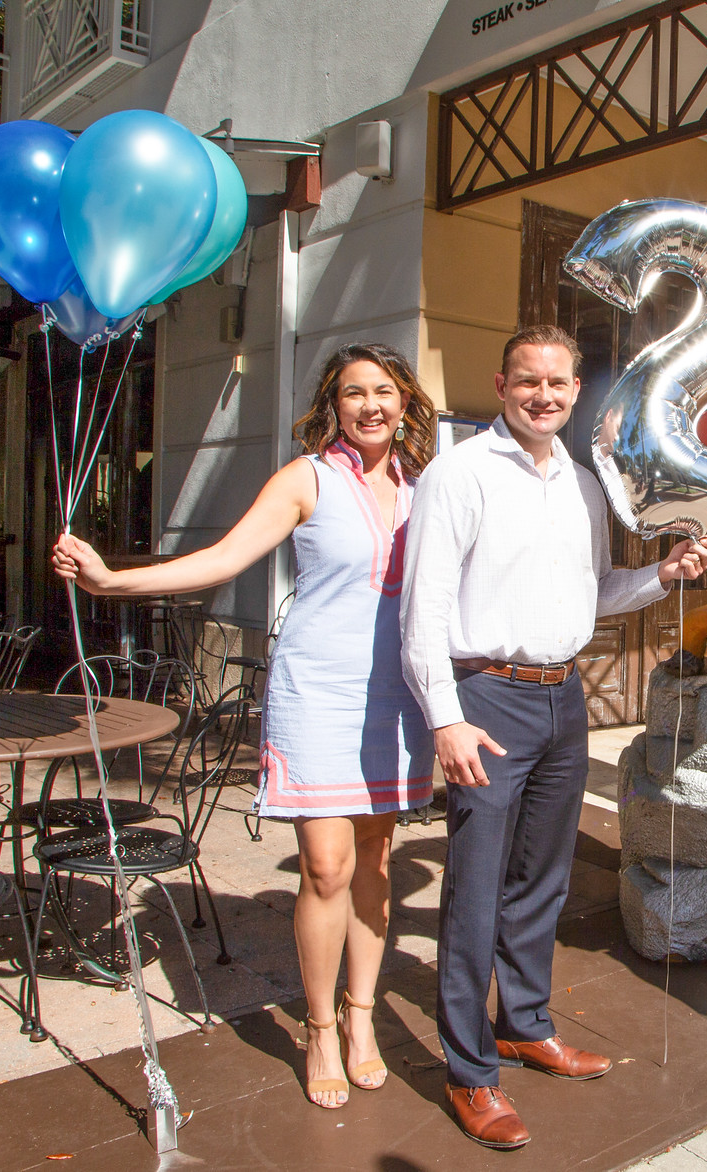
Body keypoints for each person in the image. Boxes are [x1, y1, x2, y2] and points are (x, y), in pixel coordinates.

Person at [52, 342, 438, 1111]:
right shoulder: (308, 477)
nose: (371, 405)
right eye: (355, 392)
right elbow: (223, 558)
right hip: (317, 691)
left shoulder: (424, 485)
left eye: (385, 391)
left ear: (405, 404)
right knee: (325, 866)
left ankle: (363, 1020)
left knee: (373, 858)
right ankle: (320, 1027)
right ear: (333, 403)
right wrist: (112, 580)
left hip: (397, 695)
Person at [401, 324, 707, 1150]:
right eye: (528, 381)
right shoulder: (458, 473)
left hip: (561, 701)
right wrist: (444, 719)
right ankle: (470, 1073)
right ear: (502, 383)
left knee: (542, 879)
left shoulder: (580, 483)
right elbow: (422, 608)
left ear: (577, 392)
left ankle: (524, 1024)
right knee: (473, 891)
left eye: (560, 384)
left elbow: (594, 593)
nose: (544, 395)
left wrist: (663, 577)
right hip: (485, 703)